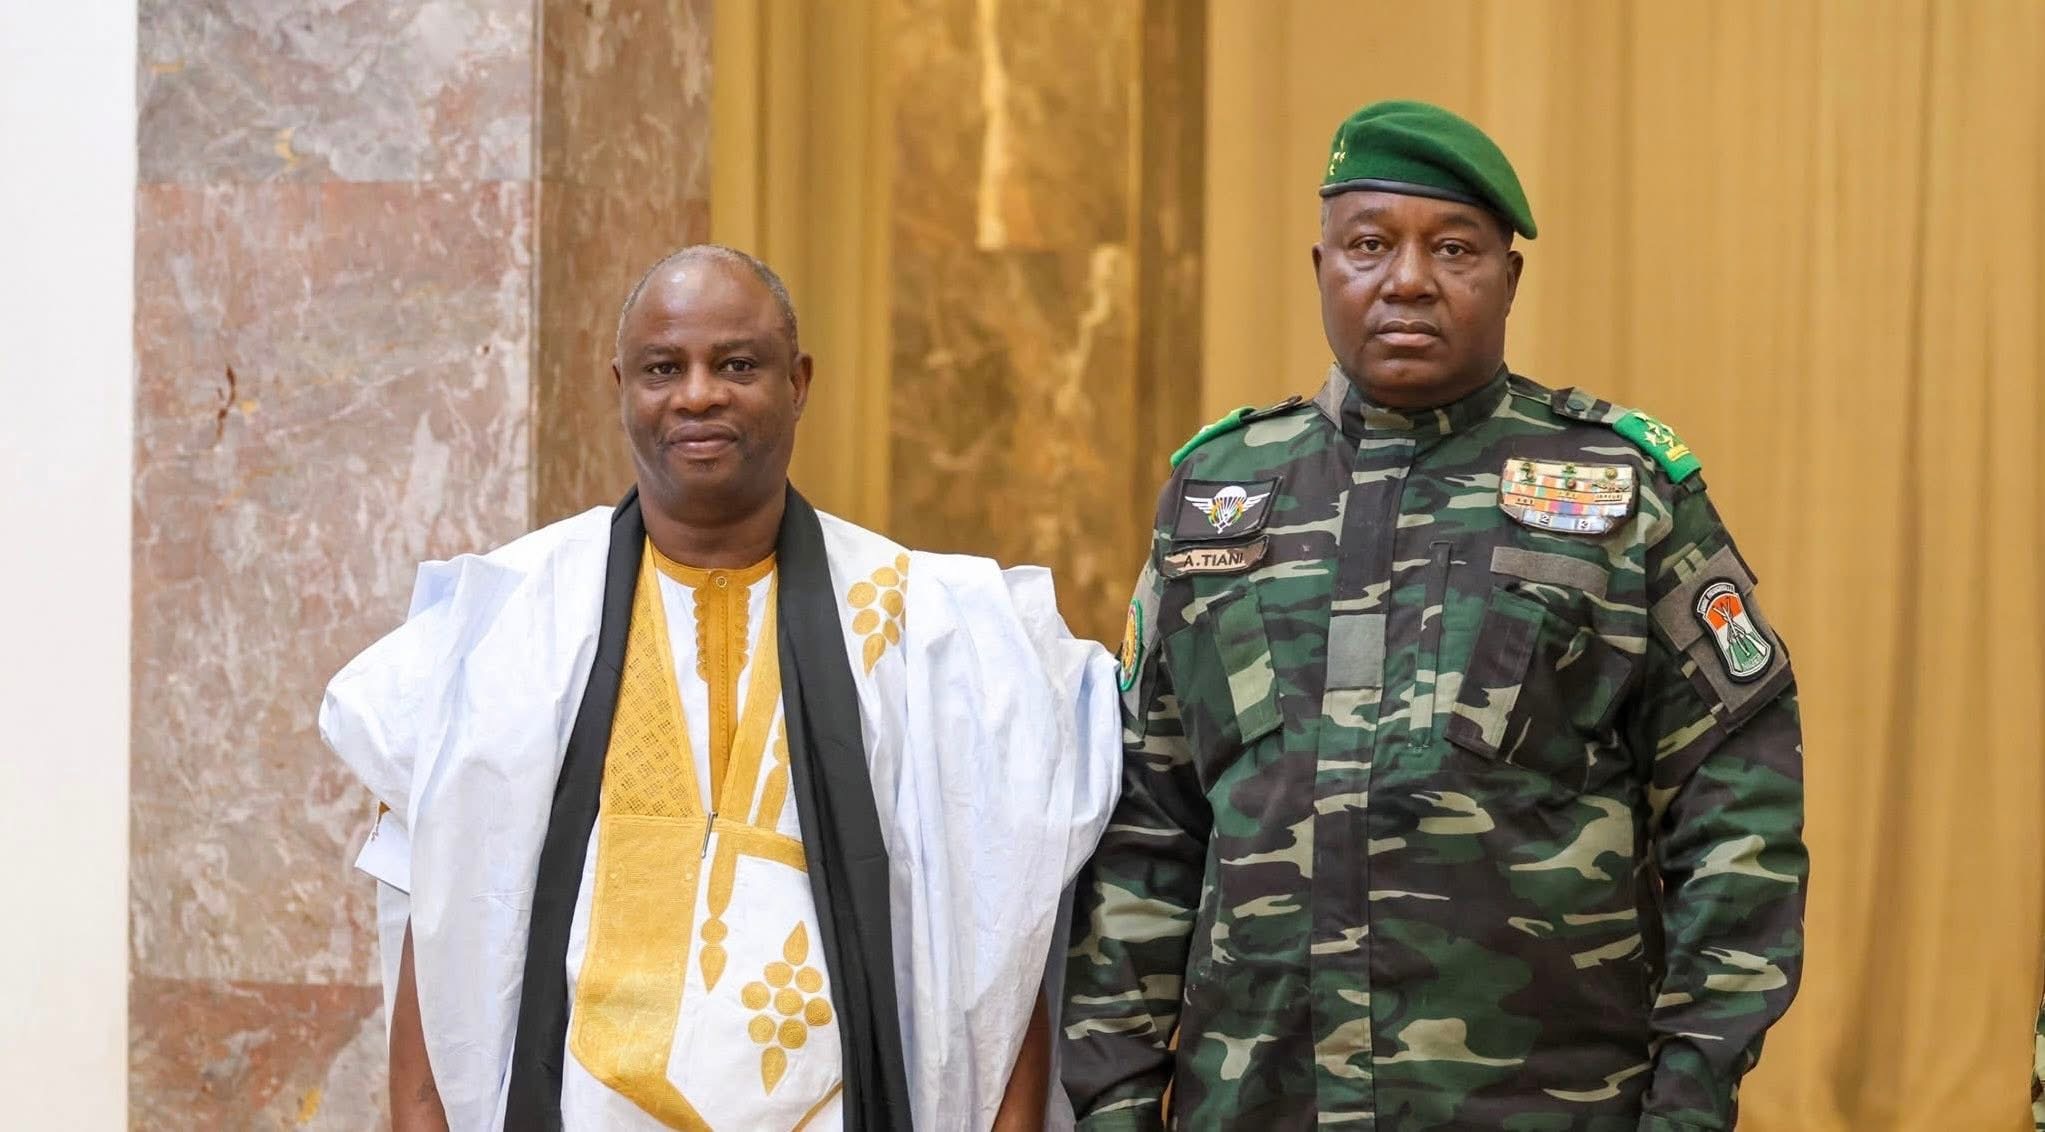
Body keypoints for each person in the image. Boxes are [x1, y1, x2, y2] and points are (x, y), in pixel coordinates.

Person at [1063, 100, 1807, 1131]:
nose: (1407, 280)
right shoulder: (1217, 496)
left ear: (1508, 279)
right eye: (1369, 245)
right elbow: (1146, 821)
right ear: (1319, 266)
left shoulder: (1622, 492)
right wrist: (1112, 1099)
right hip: (1257, 1100)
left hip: (1545, 1105)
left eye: (1453, 248)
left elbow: (1736, 809)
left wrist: (1689, 1094)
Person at [322, 245, 1120, 1131]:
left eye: (736, 365)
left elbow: (1007, 947)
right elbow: (434, 936)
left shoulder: (933, 634)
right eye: (663, 369)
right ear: (621, 386)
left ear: (798, 383)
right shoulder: (502, 630)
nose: (697, 394)